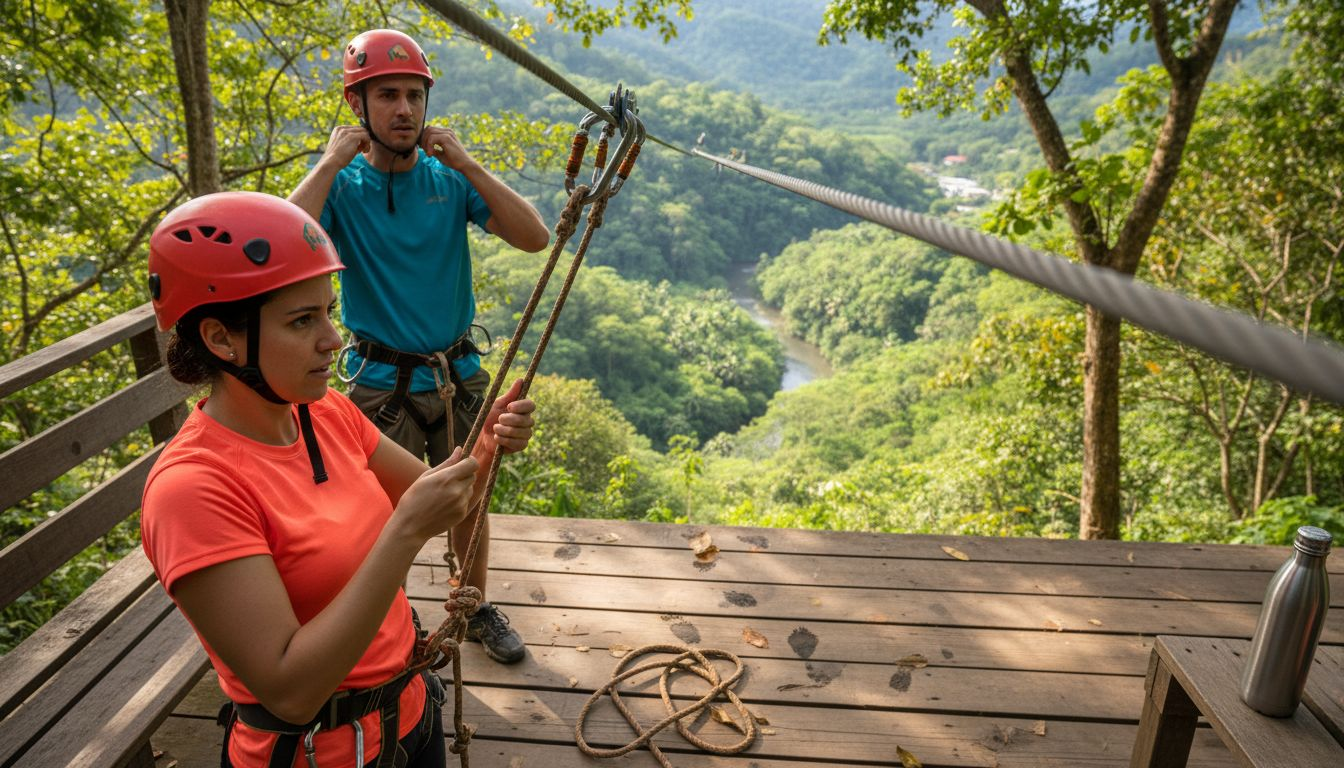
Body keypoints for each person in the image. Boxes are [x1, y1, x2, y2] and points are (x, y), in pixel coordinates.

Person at [140, 191, 536, 767]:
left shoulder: (323, 412)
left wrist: (487, 444)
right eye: (303, 321)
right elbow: (291, 692)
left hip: (409, 719)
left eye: (328, 310)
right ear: (221, 339)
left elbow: (453, 500)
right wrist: (402, 534)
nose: (333, 338)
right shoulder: (193, 489)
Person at [288, 28, 549, 666]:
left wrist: (468, 163)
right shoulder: (342, 188)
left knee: (469, 498)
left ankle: (473, 603)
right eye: (386, 96)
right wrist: (327, 163)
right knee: (381, 514)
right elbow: (278, 244)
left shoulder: (447, 180)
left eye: (413, 95)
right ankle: (390, 624)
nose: (404, 109)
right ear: (358, 106)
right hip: (381, 383)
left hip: (456, 372)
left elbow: (535, 237)